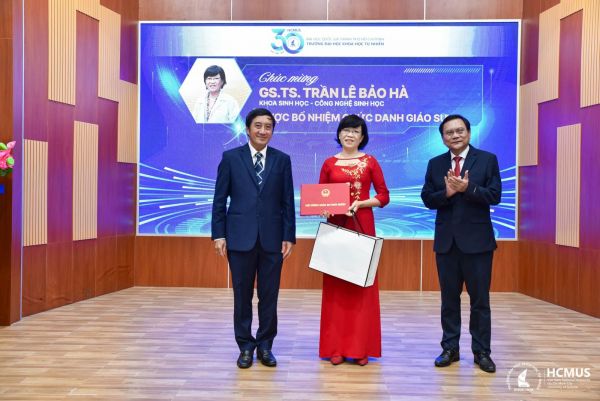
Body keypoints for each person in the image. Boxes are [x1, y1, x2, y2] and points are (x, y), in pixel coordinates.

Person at [211, 108, 296, 369]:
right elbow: (219, 199)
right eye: (258, 125)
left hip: (272, 239)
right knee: (242, 296)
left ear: (273, 131)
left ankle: (266, 346)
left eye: (268, 126)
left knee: (269, 296)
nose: (262, 131)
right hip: (239, 238)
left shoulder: (282, 160)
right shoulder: (231, 158)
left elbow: (287, 201)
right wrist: (219, 234)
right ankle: (245, 347)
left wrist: (289, 236)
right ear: (247, 129)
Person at [421, 114, 502, 373]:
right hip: (446, 243)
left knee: (480, 301)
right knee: (449, 300)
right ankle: (450, 348)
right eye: (449, 132)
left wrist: (469, 188)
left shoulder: (487, 159)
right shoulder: (435, 163)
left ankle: (482, 352)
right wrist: (446, 193)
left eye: (459, 131)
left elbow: (495, 195)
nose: (455, 135)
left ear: (468, 132)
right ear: (443, 138)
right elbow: (427, 198)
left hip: (478, 243)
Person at [318, 114, 390, 366]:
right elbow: (321, 196)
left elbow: (384, 196)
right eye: (346, 130)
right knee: (336, 285)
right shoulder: (328, 163)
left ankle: (361, 348)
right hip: (336, 227)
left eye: (355, 131)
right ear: (339, 134)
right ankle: (335, 347)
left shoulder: (370, 161)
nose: (350, 135)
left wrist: (361, 203)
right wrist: (324, 209)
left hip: (362, 224)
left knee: (361, 284)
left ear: (362, 137)